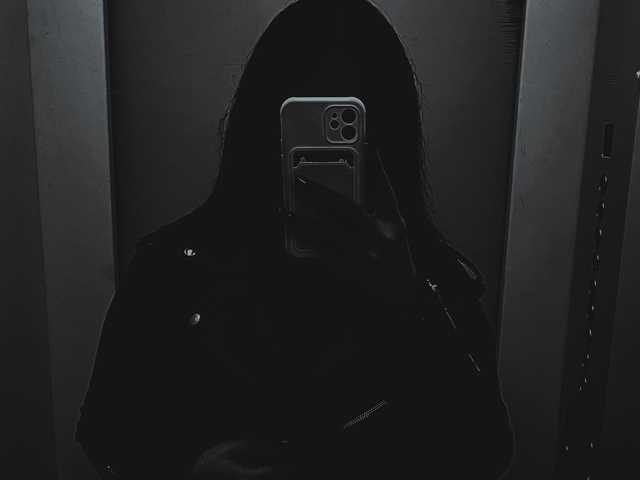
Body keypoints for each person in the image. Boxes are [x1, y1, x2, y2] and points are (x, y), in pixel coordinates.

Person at [76, 1, 515, 478]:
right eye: (300, 122)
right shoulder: (172, 270)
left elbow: (485, 455)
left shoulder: (433, 284)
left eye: (346, 128)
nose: (320, 159)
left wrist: (410, 306)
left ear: (386, 143)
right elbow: (107, 437)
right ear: (261, 124)